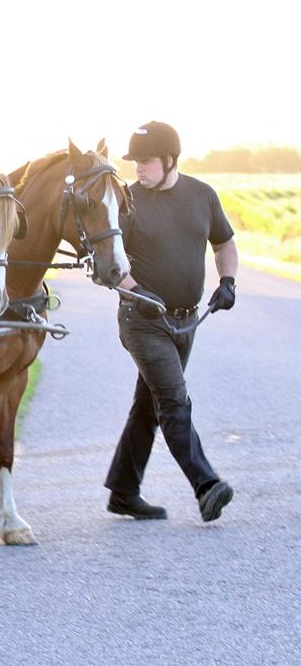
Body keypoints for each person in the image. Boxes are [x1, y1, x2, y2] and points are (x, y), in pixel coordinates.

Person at [105, 120, 238, 523]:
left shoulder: (202, 195)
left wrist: (228, 281)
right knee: (173, 401)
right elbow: (109, 263)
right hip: (142, 320)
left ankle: (123, 491)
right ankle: (206, 485)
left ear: (169, 159)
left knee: (149, 405)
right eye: (134, 161)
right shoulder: (126, 201)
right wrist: (137, 291)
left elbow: (225, 243)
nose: (137, 168)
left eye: (145, 161)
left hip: (187, 321)